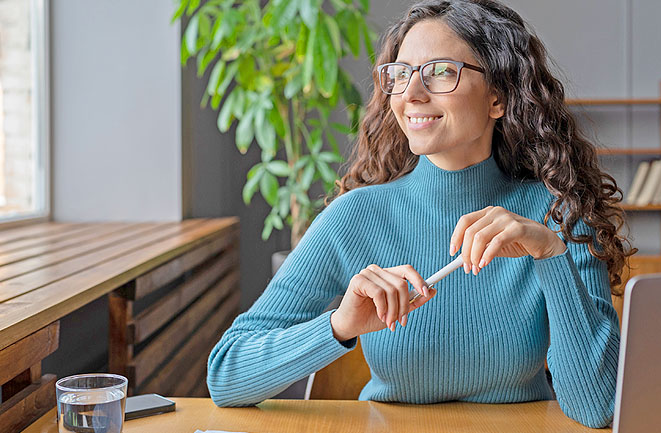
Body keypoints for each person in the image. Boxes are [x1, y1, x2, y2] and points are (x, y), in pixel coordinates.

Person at [207, 0, 635, 428]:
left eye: (441, 72)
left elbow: (596, 407)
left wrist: (550, 253)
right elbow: (227, 374)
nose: (411, 93)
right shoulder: (355, 216)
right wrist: (340, 326)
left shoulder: (558, 215)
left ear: (498, 98)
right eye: (400, 74)